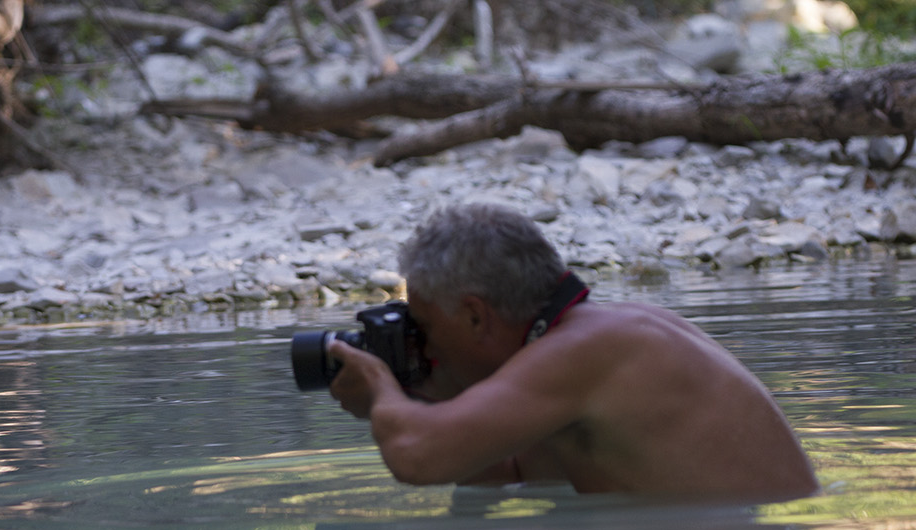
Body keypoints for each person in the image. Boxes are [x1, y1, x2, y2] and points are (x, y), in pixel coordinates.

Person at [327, 203, 819, 501]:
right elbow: (504, 477)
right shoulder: (585, 340)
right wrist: (423, 397)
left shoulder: (591, 349)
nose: (425, 344)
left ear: (476, 315)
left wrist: (380, 392)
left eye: (428, 327)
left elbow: (418, 457)